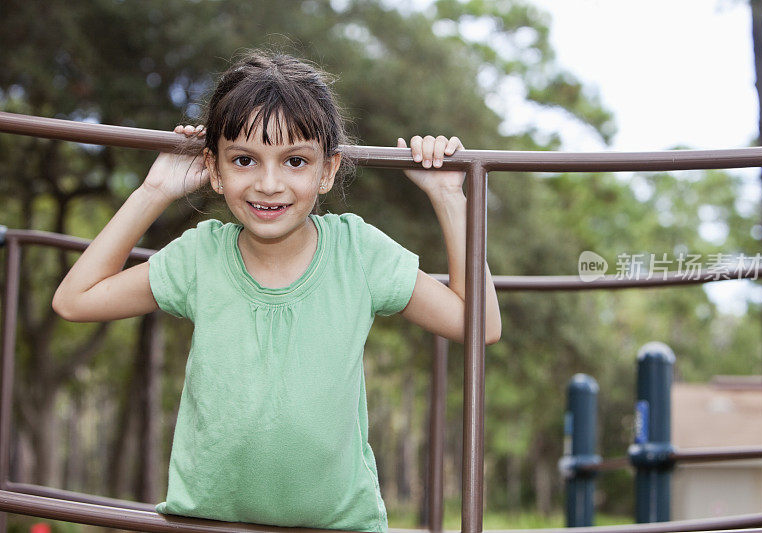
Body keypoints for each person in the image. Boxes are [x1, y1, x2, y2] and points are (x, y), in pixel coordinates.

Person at [52, 51, 501, 532]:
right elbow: (74, 300)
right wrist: (154, 192)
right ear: (215, 169)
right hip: (211, 524)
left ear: (327, 170)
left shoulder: (358, 251)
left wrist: (451, 199)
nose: (270, 184)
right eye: (244, 160)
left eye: (295, 161)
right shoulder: (201, 255)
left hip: (337, 525)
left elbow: (479, 326)